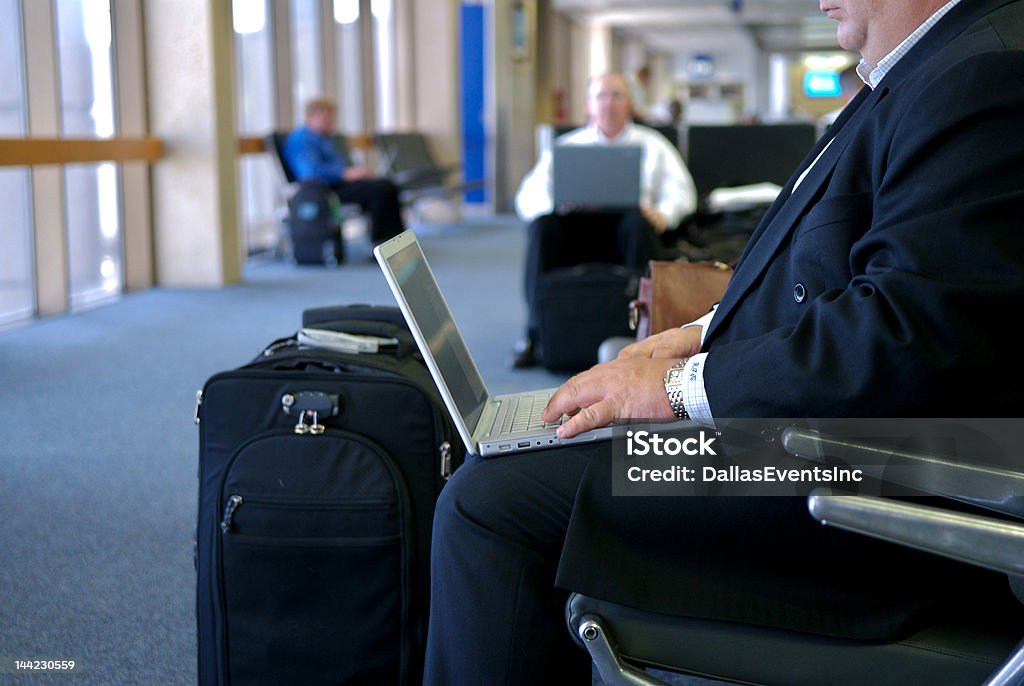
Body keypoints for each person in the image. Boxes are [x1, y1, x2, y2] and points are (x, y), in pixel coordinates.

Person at [424, 0, 1024, 683]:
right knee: (552, 448)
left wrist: (676, 391)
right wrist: (695, 336)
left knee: (492, 499)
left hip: (857, 475)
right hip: (816, 445)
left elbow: (901, 336)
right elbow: (835, 272)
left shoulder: (984, 75)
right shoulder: (927, 70)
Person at [512, 72, 697, 367]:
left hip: (628, 233)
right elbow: (526, 196)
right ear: (589, 104)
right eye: (601, 95)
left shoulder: (654, 145)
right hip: (577, 230)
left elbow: (683, 193)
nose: (608, 103)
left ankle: (646, 330)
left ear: (629, 104)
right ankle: (535, 334)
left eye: (616, 95)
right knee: (542, 227)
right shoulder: (568, 146)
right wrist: (555, 206)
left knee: (638, 222)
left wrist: (663, 213)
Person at [282, 98, 404, 245]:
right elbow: (310, 172)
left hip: (340, 184)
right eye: (327, 120)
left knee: (387, 185)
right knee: (379, 191)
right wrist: (344, 174)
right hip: (324, 190)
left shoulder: (324, 139)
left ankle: (397, 241)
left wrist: (356, 173)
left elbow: (340, 165)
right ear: (313, 116)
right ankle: (382, 242)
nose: (331, 124)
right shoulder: (301, 140)